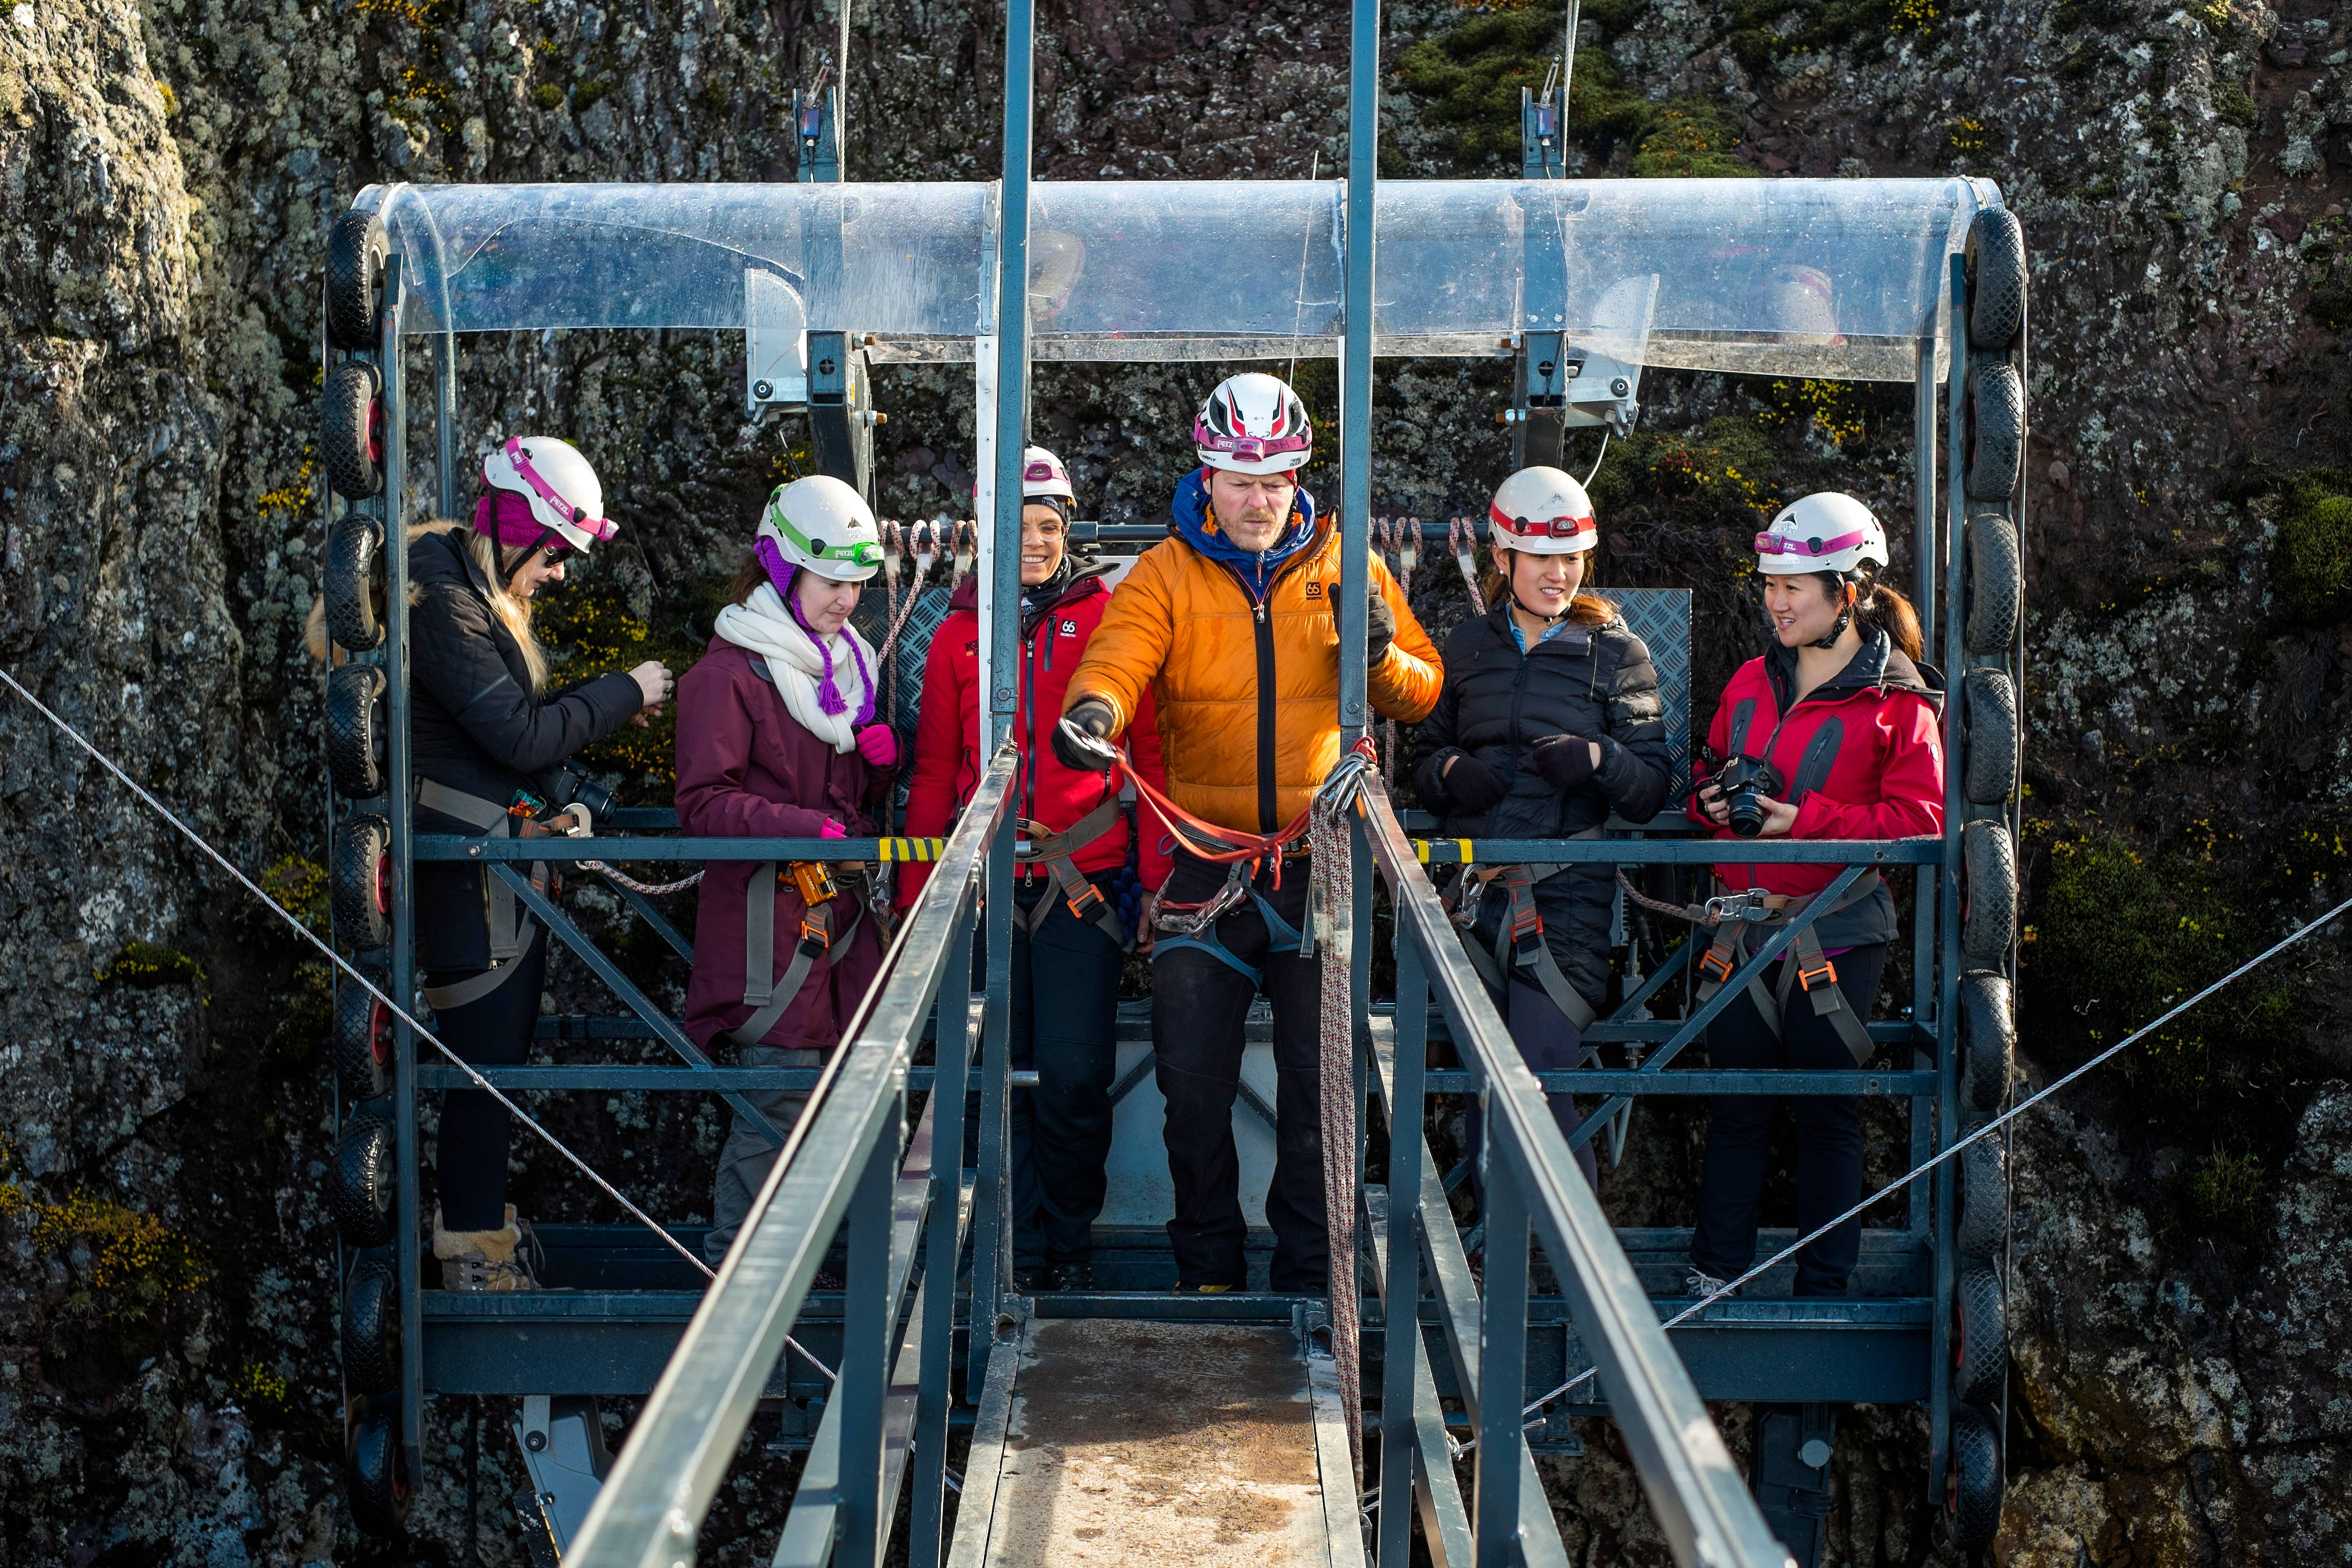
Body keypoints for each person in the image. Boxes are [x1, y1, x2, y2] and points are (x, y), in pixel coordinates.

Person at [1057, 372, 1443, 1295]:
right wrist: (1094, 712)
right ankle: (1209, 1273)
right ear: (1206, 472)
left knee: (1320, 1092)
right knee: (1190, 1091)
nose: (1257, 498)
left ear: (1299, 475)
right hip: (1206, 867)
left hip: (1319, 868)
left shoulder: (1348, 563)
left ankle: (1311, 1278)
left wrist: (1381, 650)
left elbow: (1420, 692)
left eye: (1274, 479)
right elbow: (1119, 657)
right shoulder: (1164, 574)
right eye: (1239, 478)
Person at [900, 446, 1171, 1293]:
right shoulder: (956, 636)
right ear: (987, 536)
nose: (1037, 542)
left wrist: (1159, 877)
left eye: (1050, 527)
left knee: (1074, 1073)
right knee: (987, 1076)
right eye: (1018, 528)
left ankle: (1066, 1244)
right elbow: (935, 770)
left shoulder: (1108, 623)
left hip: (1078, 877)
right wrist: (917, 906)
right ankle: (1006, 1251)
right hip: (982, 879)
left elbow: (1150, 754)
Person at [404, 437, 672, 1291]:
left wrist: (570, 782)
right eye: (555, 552)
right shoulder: (441, 603)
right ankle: (473, 1251)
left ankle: (479, 1236)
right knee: (486, 1061)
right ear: (518, 527)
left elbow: (504, 738)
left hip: (491, 861)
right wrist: (624, 689)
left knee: (498, 1058)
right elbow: (515, 733)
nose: (559, 574)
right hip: (472, 873)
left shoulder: (456, 585)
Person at [1684, 492, 1944, 1300]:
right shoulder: (1749, 681)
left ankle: (1823, 1285)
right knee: (1735, 1104)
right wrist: (1714, 802)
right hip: (1735, 924)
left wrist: (1804, 822)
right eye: (1769, 583)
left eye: (1794, 584)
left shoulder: (1897, 701)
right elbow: (1701, 772)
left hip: (1833, 931)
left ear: (1850, 590)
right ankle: (1712, 1276)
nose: (1775, 600)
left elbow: (1919, 819)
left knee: (1826, 1107)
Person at [1412, 467, 1672, 1197]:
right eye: (1541, 558)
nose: (1559, 574)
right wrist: (1451, 771)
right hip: (1473, 898)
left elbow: (1652, 788)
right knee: (1478, 1088)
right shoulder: (1465, 647)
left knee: (1538, 1084)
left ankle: (1569, 1286)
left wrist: (1598, 758)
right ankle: (1498, 1278)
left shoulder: (1617, 653)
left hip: (1566, 902)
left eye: (1571, 559)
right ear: (1502, 559)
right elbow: (1424, 762)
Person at [675, 475, 898, 1267]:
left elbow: (834, 795)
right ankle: (738, 1298)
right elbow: (702, 804)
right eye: (833, 582)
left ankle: (833, 1287)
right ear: (783, 568)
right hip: (770, 938)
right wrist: (812, 826)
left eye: (855, 585)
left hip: (833, 931)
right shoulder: (728, 676)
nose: (848, 601)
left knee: (861, 1104)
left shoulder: (843, 670)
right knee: (775, 1110)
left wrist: (875, 769)